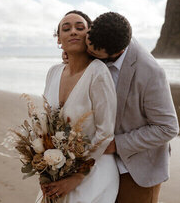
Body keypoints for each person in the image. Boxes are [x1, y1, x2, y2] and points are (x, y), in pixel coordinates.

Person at [86, 12, 179, 203]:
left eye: (95, 54)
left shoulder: (151, 72)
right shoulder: (101, 39)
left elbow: (167, 128)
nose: (89, 54)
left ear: (117, 52)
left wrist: (116, 145)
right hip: (101, 166)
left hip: (137, 168)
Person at [38, 10, 119, 202]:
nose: (73, 31)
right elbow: (45, 124)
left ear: (88, 36)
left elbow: (105, 133)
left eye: (79, 28)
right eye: (66, 29)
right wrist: (45, 171)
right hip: (59, 171)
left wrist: (77, 177)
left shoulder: (99, 73)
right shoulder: (53, 72)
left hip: (94, 171)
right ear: (59, 39)